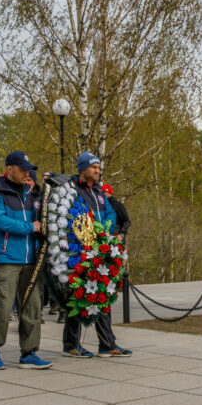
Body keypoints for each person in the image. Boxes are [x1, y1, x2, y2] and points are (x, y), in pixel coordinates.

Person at [0, 151, 52, 370]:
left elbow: (44, 220)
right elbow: (0, 221)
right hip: (6, 258)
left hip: (31, 260)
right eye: (22, 169)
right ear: (9, 169)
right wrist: (30, 227)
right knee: (3, 307)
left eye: (28, 170)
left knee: (32, 308)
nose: (26, 173)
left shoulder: (33, 194)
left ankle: (29, 352)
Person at [62, 151, 132, 359]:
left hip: (101, 248)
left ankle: (107, 344)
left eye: (98, 168)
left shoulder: (99, 191)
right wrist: (91, 237)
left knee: (102, 295)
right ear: (83, 168)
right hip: (81, 250)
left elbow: (110, 212)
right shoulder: (72, 190)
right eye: (93, 167)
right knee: (78, 297)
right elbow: (74, 216)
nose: (97, 171)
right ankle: (71, 344)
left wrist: (105, 233)